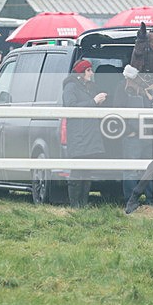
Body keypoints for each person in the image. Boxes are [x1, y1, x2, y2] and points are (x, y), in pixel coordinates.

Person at [62, 59, 107, 208]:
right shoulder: (71, 86)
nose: (91, 73)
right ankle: (75, 205)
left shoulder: (90, 86)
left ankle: (83, 203)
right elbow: (70, 106)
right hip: (78, 135)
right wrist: (94, 101)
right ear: (82, 72)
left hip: (90, 133)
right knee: (77, 170)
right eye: (88, 70)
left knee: (87, 171)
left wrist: (99, 103)